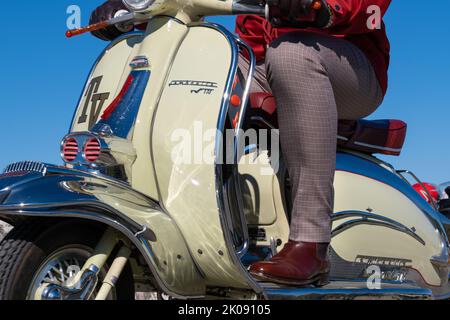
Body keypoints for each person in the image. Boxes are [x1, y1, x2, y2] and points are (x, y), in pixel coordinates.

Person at [90, 0, 392, 286]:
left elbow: (366, 8)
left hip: (350, 65)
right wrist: (133, 11)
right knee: (197, 69)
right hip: (268, 63)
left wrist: (324, 7)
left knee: (289, 53)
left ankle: (311, 242)